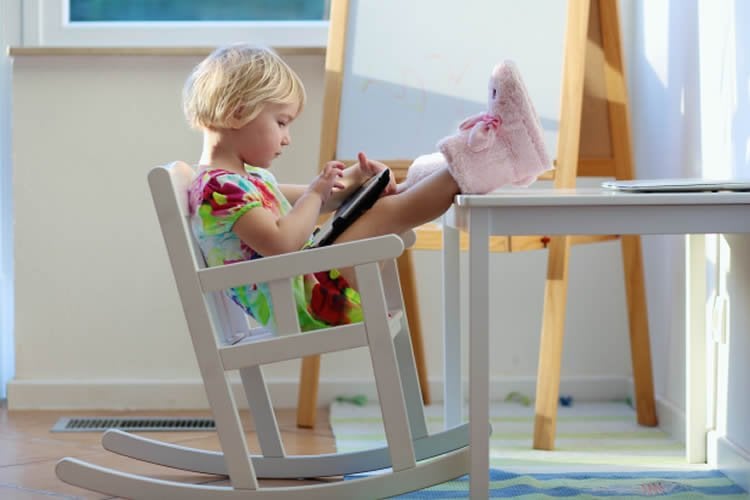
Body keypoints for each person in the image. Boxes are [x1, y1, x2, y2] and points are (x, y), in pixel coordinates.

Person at [183, 43, 546, 332]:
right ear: (235, 114)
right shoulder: (221, 192)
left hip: (308, 286)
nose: (287, 138)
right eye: (281, 122)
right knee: (390, 210)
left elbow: (321, 200)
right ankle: (494, 153)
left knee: (390, 198)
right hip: (308, 299)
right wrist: (315, 193)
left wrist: (353, 181)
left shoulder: (239, 182)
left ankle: (463, 162)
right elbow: (281, 243)